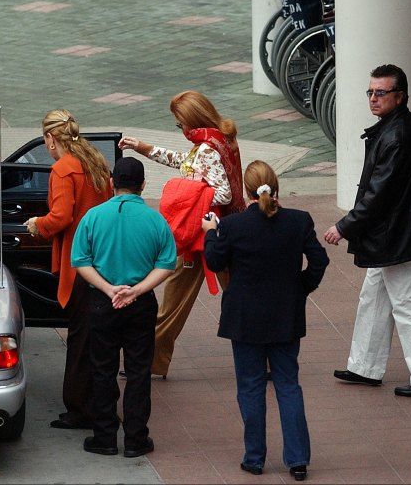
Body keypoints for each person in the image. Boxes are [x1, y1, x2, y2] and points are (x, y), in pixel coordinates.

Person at [323, 64, 411, 397]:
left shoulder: (398, 135)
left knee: (409, 303)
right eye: (371, 92)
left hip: (396, 236)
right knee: (375, 298)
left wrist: (344, 226)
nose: (374, 98)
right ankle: (364, 366)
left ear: (400, 96)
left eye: (381, 93)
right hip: (394, 234)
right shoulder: (397, 128)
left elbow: (379, 194)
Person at [202, 160, 329, 481]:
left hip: (244, 319)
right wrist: (301, 288)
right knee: (288, 386)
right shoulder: (299, 221)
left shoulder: (232, 227)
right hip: (285, 315)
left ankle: (255, 457)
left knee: (250, 387)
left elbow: (216, 260)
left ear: (246, 192)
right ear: (277, 188)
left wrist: (211, 233)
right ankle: (298, 460)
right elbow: (319, 260)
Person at [119, 90, 246, 377]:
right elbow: (184, 161)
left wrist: (190, 188)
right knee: (241, 300)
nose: (182, 129)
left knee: (173, 302)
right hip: (226, 234)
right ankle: (266, 360)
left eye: (180, 124)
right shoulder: (219, 139)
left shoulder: (207, 148)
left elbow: (222, 192)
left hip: (203, 236)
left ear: (191, 120)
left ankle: (147, 362)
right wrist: (143, 147)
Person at [71, 157, 177, 456]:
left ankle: (104, 438)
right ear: (143, 185)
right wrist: (137, 290)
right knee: (138, 372)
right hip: (140, 304)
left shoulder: (93, 217)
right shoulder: (156, 220)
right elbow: (167, 263)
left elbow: (80, 261)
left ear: (111, 182)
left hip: (102, 303)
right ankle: (136, 439)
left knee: (102, 370)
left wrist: (108, 289)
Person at [24, 109, 113, 429]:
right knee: (98, 339)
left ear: (50, 139)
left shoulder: (63, 170)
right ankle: (100, 402)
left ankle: (80, 409)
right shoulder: (96, 161)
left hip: (78, 265)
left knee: (79, 340)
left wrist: (37, 225)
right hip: (103, 260)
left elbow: (60, 217)